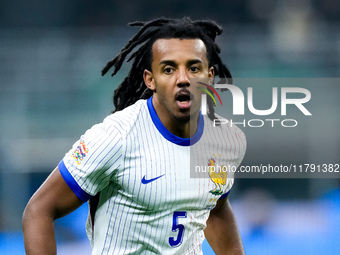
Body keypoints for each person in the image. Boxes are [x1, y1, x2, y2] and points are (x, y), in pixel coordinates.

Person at [22, 17, 247, 255]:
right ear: (150, 79)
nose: (183, 79)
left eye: (193, 68)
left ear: (209, 76)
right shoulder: (116, 137)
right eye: (169, 69)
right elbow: (39, 210)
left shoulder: (225, 139)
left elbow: (216, 208)